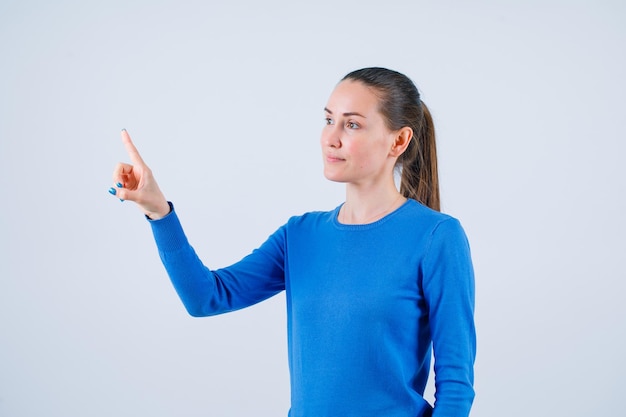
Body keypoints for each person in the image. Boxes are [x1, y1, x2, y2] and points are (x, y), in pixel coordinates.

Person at [109, 67, 476, 417]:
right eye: (329, 119)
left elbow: (456, 385)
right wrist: (159, 211)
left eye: (352, 124)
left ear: (399, 140)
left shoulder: (437, 237)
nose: (331, 137)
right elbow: (205, 297)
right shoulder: (300, 235)